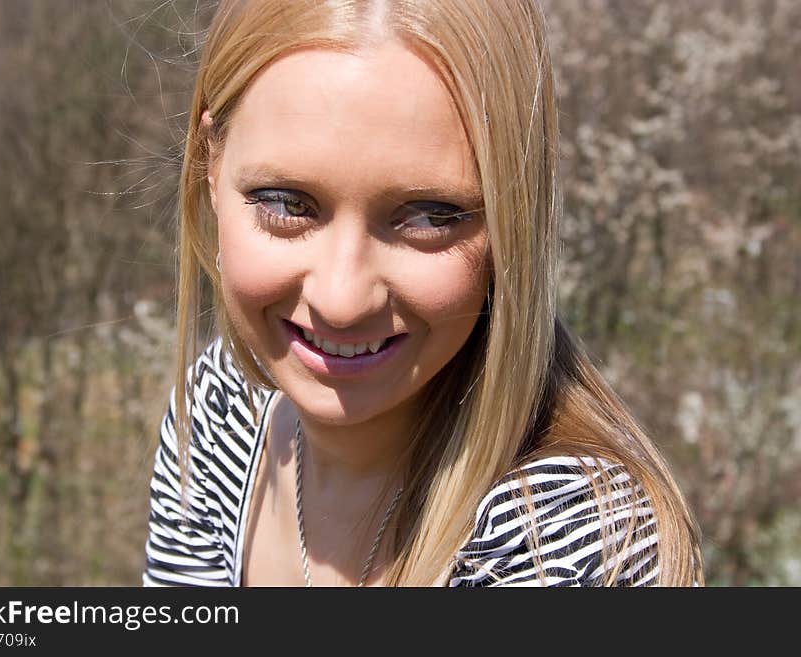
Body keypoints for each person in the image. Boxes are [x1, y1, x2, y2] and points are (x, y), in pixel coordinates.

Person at [143, 0, 703, 587]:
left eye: (431, 217)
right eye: (286, 203)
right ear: (210, 165)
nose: (341, 298)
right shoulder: (218, 414)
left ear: (515, 221)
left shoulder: (565, 547)